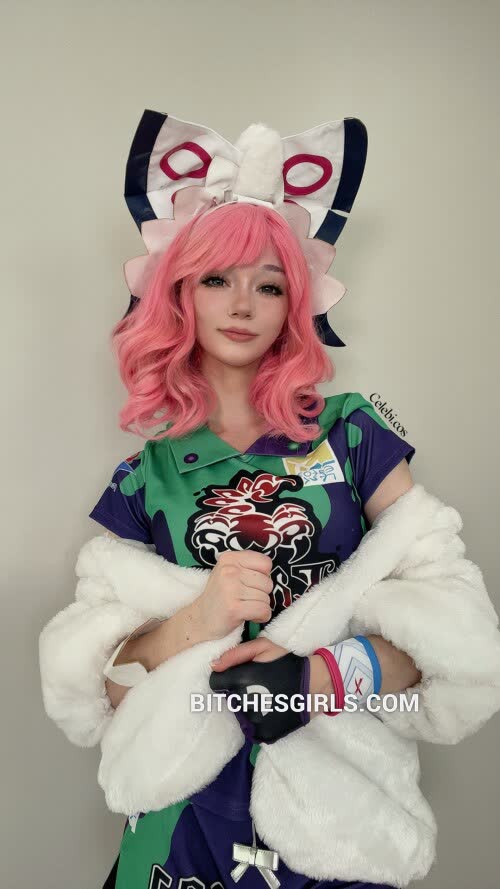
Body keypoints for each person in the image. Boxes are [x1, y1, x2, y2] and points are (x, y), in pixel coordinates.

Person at [39, 113, 500, 889]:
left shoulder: (354, 434)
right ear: (180, 293)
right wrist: (200, 618)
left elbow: (458, 634)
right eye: (217, 279)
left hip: (337, 829)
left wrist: (324, 676)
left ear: (295, 302)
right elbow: (100, 690)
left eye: (269, 284)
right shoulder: (145, 477)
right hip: (182, 831)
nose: (243, 304)